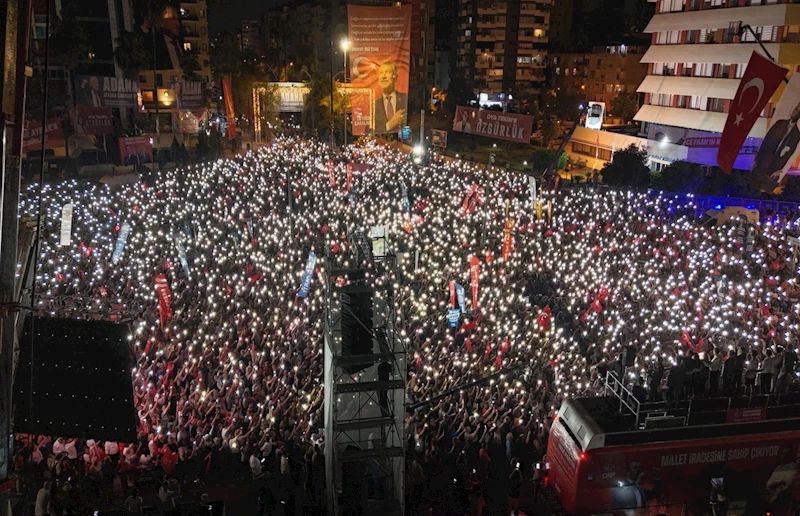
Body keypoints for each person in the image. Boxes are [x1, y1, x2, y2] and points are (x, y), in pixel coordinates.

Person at [372, 61, 407, 133]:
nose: (383, 76)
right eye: (381, 73)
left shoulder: (406, 99)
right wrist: (390, 124)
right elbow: (367, 130)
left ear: (395, 77)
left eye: (387, 72)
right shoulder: (373, 105)